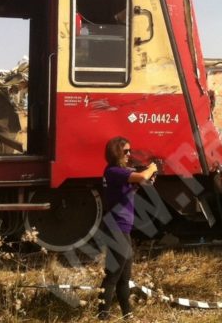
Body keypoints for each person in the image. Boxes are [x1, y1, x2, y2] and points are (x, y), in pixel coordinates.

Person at [98, 136, 158, 320]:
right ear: (116, 152)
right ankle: (103, 316)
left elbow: (129, 190)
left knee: (124, 276)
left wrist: (145, 181)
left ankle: (127, 315)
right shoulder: (114, 171)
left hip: (123, 229)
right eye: (126, 151)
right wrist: (152, 168)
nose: (129, 154)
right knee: (113, 275)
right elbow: (140, 176)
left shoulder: (118, 173)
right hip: (117, 228)